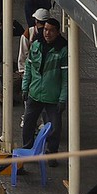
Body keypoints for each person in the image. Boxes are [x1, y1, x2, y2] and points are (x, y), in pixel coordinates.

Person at [22, 15, 68, 148]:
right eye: (46, 29)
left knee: (54, 128)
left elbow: (66, 77)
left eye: (51, 30)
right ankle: (27, 148)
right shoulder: (36, 45)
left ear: (57, 32)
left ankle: (51, 152)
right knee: (28, 124)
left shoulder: (63, 50)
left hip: (53, 98)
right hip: (34, 93)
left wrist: (62, 99)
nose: (47, 33)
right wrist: (25, 88)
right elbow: (28, 67)